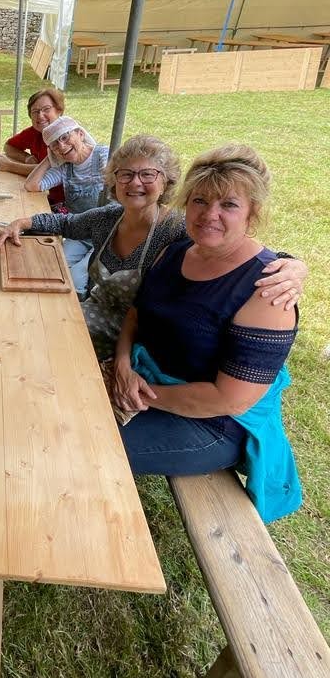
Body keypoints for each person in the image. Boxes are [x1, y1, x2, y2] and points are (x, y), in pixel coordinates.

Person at [0, 134, 307, 360]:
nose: (135, 183)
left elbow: (235, 249)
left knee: (37, 351)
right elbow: (64, 224)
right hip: (87, 319)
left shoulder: (180, 229)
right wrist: (23, 223)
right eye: (125, 174)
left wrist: (291, 264)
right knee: (21, 333)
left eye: (147, 174)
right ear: (113, 181)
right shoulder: (109, 218)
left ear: (167, 181)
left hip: (135, 347)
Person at [111, 144, 302, 522]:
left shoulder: (269, 291)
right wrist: (121, 365)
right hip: (143, 380)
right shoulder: (176, 251)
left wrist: (141, 395)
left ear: (253, 213)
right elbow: (135, 315)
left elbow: (230, 401)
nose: (209, 215)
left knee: (81, 439)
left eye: (228, 205)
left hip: (210, 426)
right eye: (199, 200)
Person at [24, 115, 110, 296]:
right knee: (54, 265)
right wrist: (50, 157)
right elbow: (32, 186)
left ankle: (82, 309)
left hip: (106, 234)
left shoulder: (103, 155)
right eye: (54, 144)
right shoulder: (65, 167)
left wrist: (55, 150)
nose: (61, 146)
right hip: (78, 232)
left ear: (80, 134)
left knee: (76, 276)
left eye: (65, 137)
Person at [0, 88, 66, 207]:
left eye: (46, 109)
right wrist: (27, 158)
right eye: (35, 111)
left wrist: (9, 166)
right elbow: (9, 146)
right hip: (38, 194)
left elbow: (48, 172)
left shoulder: (65, 138)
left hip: (61, 204)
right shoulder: (35, 132)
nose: (40, 116)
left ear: (59, 110)